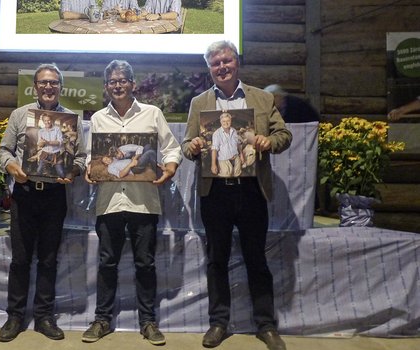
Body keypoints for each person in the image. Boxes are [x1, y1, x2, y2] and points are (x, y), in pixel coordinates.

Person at [182, 41, 292, 350]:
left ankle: (266, 326)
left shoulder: (262, 97)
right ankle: (218, 323)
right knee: (217, 259)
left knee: (256, 258)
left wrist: (268, 142)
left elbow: (284, 135)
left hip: (251, 191)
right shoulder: (199, 102)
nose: (221, 67)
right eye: (215, 63)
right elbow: (188, 143)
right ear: (210, 68)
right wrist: (190, 148)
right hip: (214, 191)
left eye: (226, 61)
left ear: (237, 62)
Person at [82, 60, 182, 346]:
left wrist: (171, 167)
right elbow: (91, 155)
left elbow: (172, 148)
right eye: (112, 81)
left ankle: (148, 322)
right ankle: (102, 320)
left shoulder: (153, 113)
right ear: (106, 87)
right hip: (110, 201)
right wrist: (90, 168)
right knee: (107, 263)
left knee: (145, 264)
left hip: (143, 202)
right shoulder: (99, 118)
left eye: (122, 80)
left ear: (132, 83)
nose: (118, 85)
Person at [0, 63, 86, 342]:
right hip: (24, 195)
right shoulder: (19, 115)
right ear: (35, 86)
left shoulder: (71, 120)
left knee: (48, 259)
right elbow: (4, 151)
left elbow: (81, 158)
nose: (49, 87)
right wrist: (13, 169)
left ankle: (45, 317)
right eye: (43, 83)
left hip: (54, 196)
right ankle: (15, 316)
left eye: (54, 83)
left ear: (61, 87)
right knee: (21, 259)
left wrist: (72, 172)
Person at [210, 112, 244, 177]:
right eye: (223, 121)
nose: (226, 123)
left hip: (236, 159)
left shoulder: (234, 131)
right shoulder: (216, 134)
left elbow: (238, 144)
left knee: (238, 175)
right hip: (224, 161)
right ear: (220, 121)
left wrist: (241, 155)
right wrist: (213, 164)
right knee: (225, 177)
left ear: (231, 121)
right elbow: (214, 150)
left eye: (228, 121)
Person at [36, 112, 65, 178]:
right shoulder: (40, 131)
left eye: (48, 120)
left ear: (51, 120)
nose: (47, 122)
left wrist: (47, 142)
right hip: (45, 153)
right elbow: (39, 144)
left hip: (56, 154)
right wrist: (40, 143)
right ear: (43, 121)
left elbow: (60, 142)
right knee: (39, 170)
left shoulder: (57, 129)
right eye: (45, 120)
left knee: (61, 173)